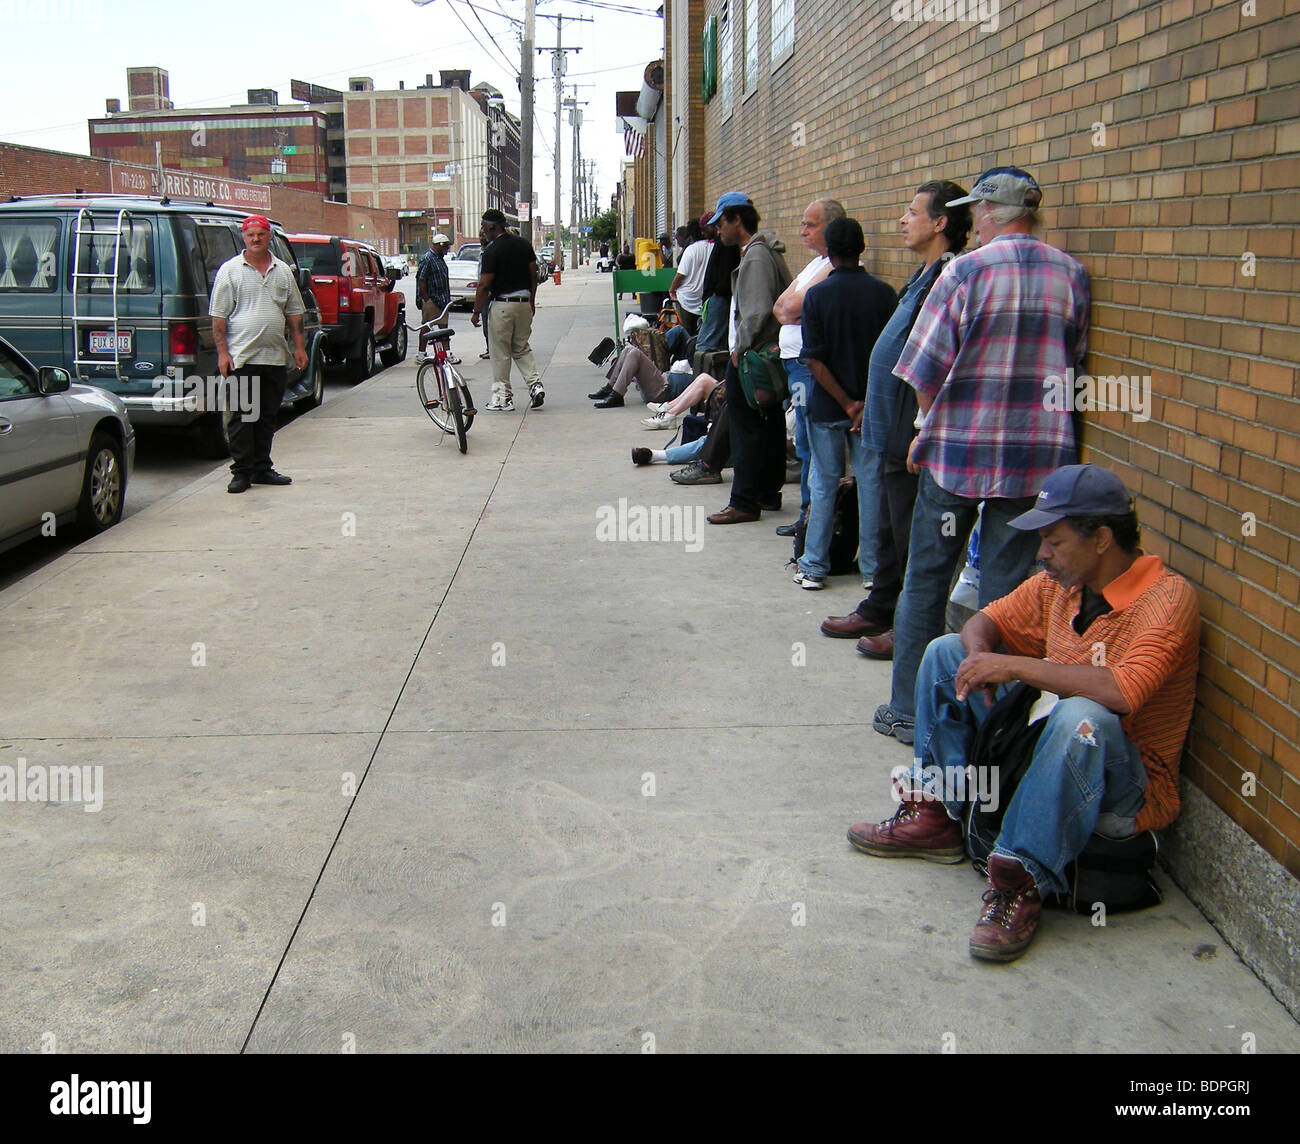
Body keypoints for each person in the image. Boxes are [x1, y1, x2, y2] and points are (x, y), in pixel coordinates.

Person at [847, 464, 1199, 962]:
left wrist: (1016, 665)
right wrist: (978, 658)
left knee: (1086, 717)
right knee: (946, 652)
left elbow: (1122, 690)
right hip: (1045, 754)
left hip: (1124, 793)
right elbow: (986, 622)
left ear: (1100, 538)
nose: (1042, 554)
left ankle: (1017, 880)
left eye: (1053, 540)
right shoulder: (1062, 585)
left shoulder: (1167, 599)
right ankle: (937, 814)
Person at [874, 166, 1090, 744]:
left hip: (958, 454)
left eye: (977, 211)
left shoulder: (964, 272)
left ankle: (907, 710)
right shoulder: (1072, 275)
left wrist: (925, 425)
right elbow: (1075, 360)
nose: (971, 222)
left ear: (992, 213)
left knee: (926, 579)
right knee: (1008, 593)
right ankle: (989, 725)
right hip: (1035, 459)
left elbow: (923, 365)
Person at [820, 180, 972, 651]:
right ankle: (879, 607)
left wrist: (922, 429)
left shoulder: (951, 275)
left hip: (911, 429)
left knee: (910, 535)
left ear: (941, 222)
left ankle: (907, 630)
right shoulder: (923, 274)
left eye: (913, 212)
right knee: (885, 526)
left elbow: (941, 362)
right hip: (886, 425)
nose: (903, 220)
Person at [792, 217, 896, 590]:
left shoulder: (817, 297)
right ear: (862, 248)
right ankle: (872, 571)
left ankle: (814, 567)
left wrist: (845, 402)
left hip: (827, 408)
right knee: (871, 485)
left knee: (823, 483)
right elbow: (890, 356)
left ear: (829, 253)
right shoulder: (885, 295)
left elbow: (814, 360)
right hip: (871, 409)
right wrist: (864, 404)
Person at [705, 192, 792, 525]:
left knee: (745, 428)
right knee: (768, 425)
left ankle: (743, 501)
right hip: (765, 355)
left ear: (736, 219)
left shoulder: (755, 257)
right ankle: (768, 492)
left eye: (721, 223)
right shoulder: (764, 251)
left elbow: (755, 312)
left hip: (752, 357)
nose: (718, 231)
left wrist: (740, 350)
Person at [210, 214, 307, 494]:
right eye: (251, 235)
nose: (256, 239)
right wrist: (222, 354)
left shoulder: (283, 271)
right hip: (242, 358)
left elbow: (294, 313)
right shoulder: (230, 271)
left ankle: (262, 468)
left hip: (275, 358)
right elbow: (218, 318)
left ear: (269, 237)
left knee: (266, 417)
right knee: (242, 417)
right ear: (244, 237)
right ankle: (241, 472)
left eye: (261, 235)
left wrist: (299, 348)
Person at [772, 198, 840, 539]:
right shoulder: (815, 265)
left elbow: (794, 305)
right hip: (793, 363)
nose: (802, 231)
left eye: (810, 225)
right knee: (802, 439)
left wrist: (792, 306)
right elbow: (781, 307)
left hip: (806, 364)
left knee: (808, 440)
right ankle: (806, 514)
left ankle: (809, 517)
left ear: (830, 228)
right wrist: (791, 307)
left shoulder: (833, 267)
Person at [472, 209, 544, 411]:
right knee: (521, 347)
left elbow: (484, 285)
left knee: (500, 353)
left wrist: (477, 311)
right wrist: (531, 300)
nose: (483, 231)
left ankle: (503, 398)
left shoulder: (491, 251)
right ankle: (535, 384)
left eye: (484, 227)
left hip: (502, 305)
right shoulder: (523, 244)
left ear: (492, 227)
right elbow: (533, 275)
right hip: (524, 303)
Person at [415, 233, 457, 364]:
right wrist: (426, 298)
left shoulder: (439, 258)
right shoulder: (427, 258)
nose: (447, 249)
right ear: (440, 245)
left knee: (443, 328)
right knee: (427, 328)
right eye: (446, 247)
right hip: (432, 300)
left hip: (442, 300)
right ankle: (421, 354)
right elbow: (421, 279)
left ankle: (447, 353)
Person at [668, 217, 708, 335]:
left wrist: (672, 289)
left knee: (687, 333)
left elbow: (680, 274)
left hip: (688, 300)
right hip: (704, 300)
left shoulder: (691, 250)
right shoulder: (713, 247)